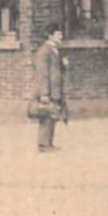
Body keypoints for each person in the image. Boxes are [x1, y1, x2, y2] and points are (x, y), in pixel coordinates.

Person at [31, 23, 66, 152]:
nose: (61, 37)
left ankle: (49, 144)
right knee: (46, 117)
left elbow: (56, 70)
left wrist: (64, 66)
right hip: (49, 90)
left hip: (55, 90)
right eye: (58, 34)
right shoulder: (44, 51)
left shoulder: (55, 50)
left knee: (53, 116)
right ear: (50, 36)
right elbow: (43, 73)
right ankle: (43, 145)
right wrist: (44, 93)